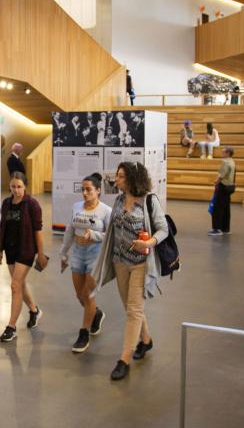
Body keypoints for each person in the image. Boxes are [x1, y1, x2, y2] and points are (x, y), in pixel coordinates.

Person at [92, 161, 169, 381]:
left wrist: (149, 243)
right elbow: (111, 231)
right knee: (129, 307)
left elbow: (163, 229)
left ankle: (124, 359)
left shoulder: (148, 201)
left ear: (133, 178)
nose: (116, 180)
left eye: (121, 177)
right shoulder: (117, 200)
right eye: (117, 176)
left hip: (140, 264)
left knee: (134, 310)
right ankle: (146, 340)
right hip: (119, 261)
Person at [60, 173, 112, 353]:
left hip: (95, 254)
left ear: (98, 190)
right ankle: (96, 313)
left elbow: (111, 236)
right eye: (82, 189)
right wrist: (63, 254)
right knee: (79, 296)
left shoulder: (106, 211)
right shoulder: (76, 207)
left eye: (89, 189)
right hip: (78, 252)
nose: (84, 193)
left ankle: (84, 333)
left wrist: (95, 235)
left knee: (87, 294)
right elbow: (69, 231)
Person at [0, 172, 49, 342]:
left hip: (26, 249)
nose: (16, 190)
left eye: (19, 186)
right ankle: (34, 310)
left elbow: (38, 231)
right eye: (13, 186)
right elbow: (2, 227)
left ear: (25, 186)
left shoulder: (32, 205)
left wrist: (40, 254)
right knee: (19, 285)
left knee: (15, 285)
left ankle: (11, 327)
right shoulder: (6, 204)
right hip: (10, 249)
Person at [209, 147, 236, 236]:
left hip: (223, 187)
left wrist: (216, 182)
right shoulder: (232, 161)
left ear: (228, 153)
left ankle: (217, 229)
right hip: (229, 187)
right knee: (226, 208)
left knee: (218, 208)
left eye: (223, 151)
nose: (222, 153)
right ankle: (225, 228)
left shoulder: (225, 162)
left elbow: (222, 175)